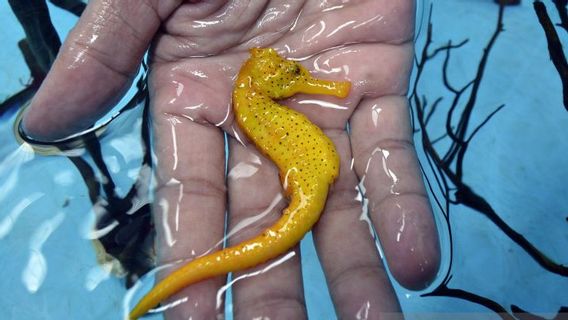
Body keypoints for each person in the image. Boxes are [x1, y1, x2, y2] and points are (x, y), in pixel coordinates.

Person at [22, 0, 440, 318]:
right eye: (292, 77)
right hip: (309, 173)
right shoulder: (262, 110)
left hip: (308, 173)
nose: (308, 83)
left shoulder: (260, 102)